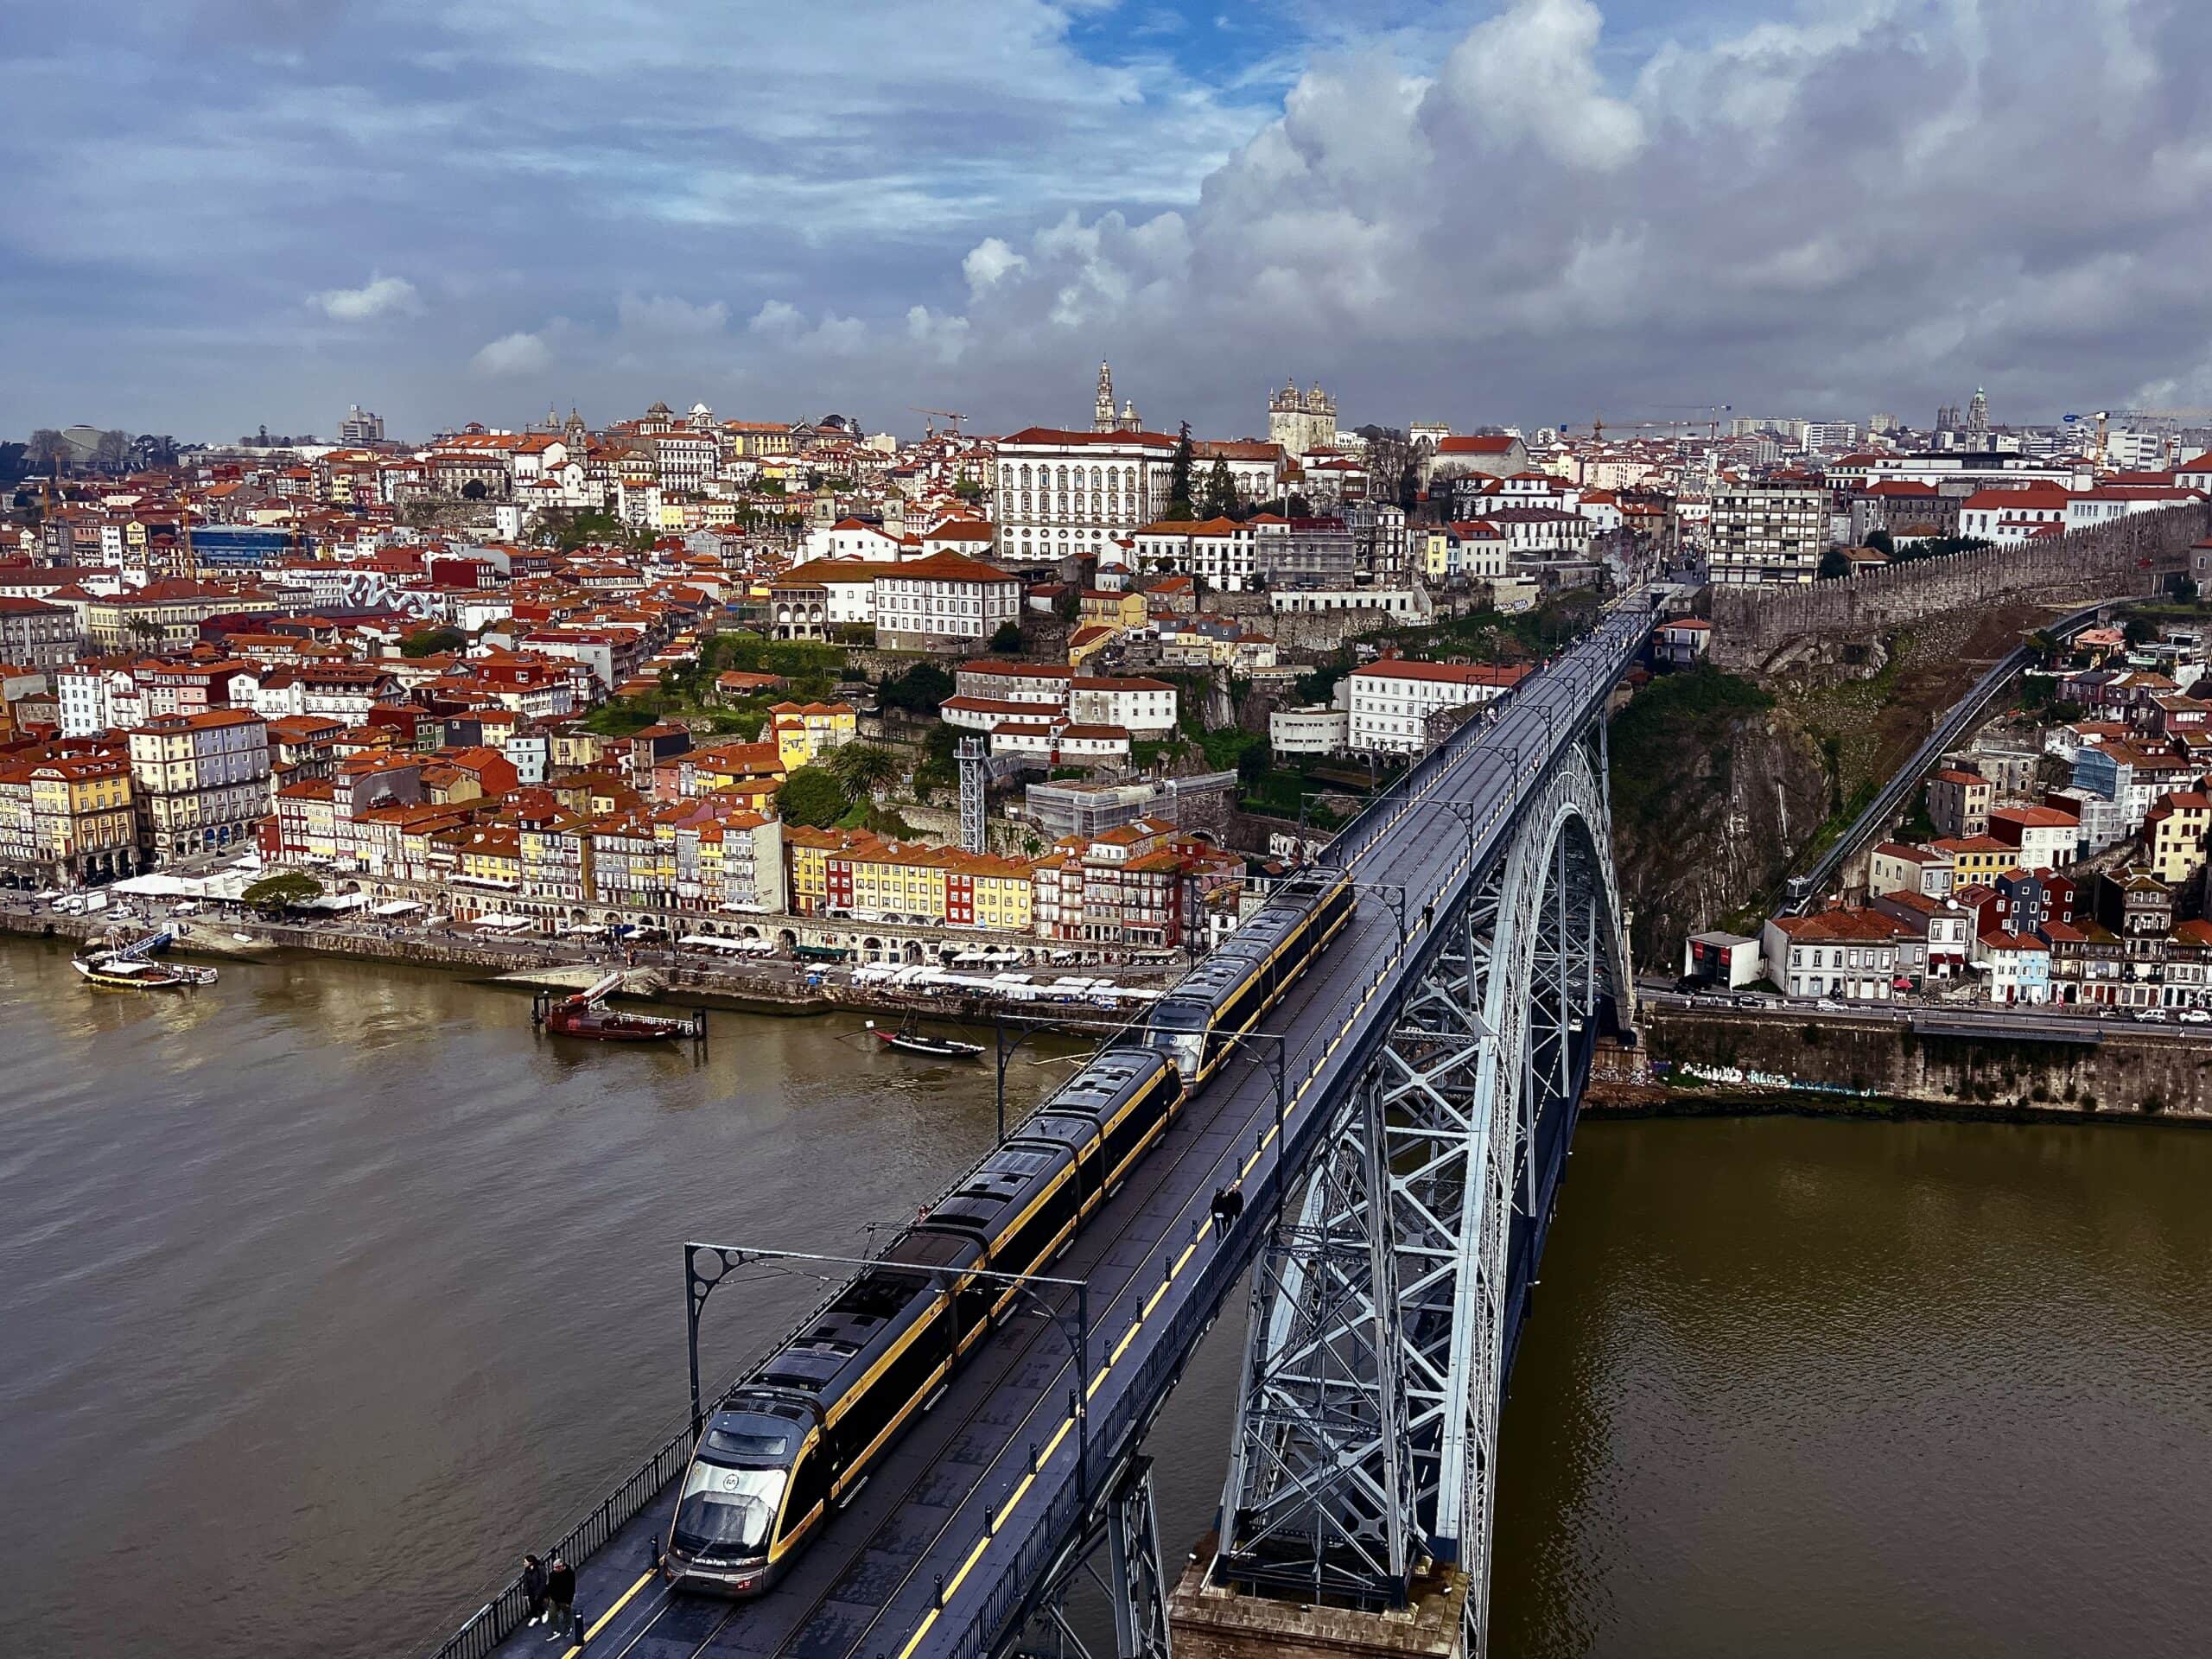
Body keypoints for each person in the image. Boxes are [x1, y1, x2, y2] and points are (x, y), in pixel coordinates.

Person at [543, 1552, 577, 1643]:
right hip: (554, 1598)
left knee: (566, 1613)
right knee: (552, 1614)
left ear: (562, 1566)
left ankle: (568, 1627)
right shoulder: (553, 1574)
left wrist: (568, 1601)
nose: (555, 1569)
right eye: (554, 1568)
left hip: (564, 1599)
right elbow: (550, 1585)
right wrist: (547, 1595)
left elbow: (571, 1588)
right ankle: (556, 1629)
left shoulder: (569, 1574)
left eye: (557, 1568)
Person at [522, 1553, 549, 1625]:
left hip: (539, 1590)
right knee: (532, 1604)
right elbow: (526, 1581)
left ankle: (544, 1613)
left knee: (539, 1602)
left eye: (525, 1562)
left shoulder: (540, 1569)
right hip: (531, 1591)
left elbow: (543, 1581)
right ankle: (535, 1616)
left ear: (530, 1563)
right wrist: (525, 1592)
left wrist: (539, 1592)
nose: (524, 1564)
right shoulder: (527, 1570)